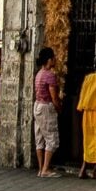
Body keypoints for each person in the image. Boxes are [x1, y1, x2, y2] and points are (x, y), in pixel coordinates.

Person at [34, 46, 61, 178]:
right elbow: (54, 96)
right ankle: (45, 168)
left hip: (37, 105)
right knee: (51, 138)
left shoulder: (39, 74)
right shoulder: (50, 75)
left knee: (39, 138)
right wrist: (58, 107)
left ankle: (40, 168)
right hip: (46, 107)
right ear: (49, 60)